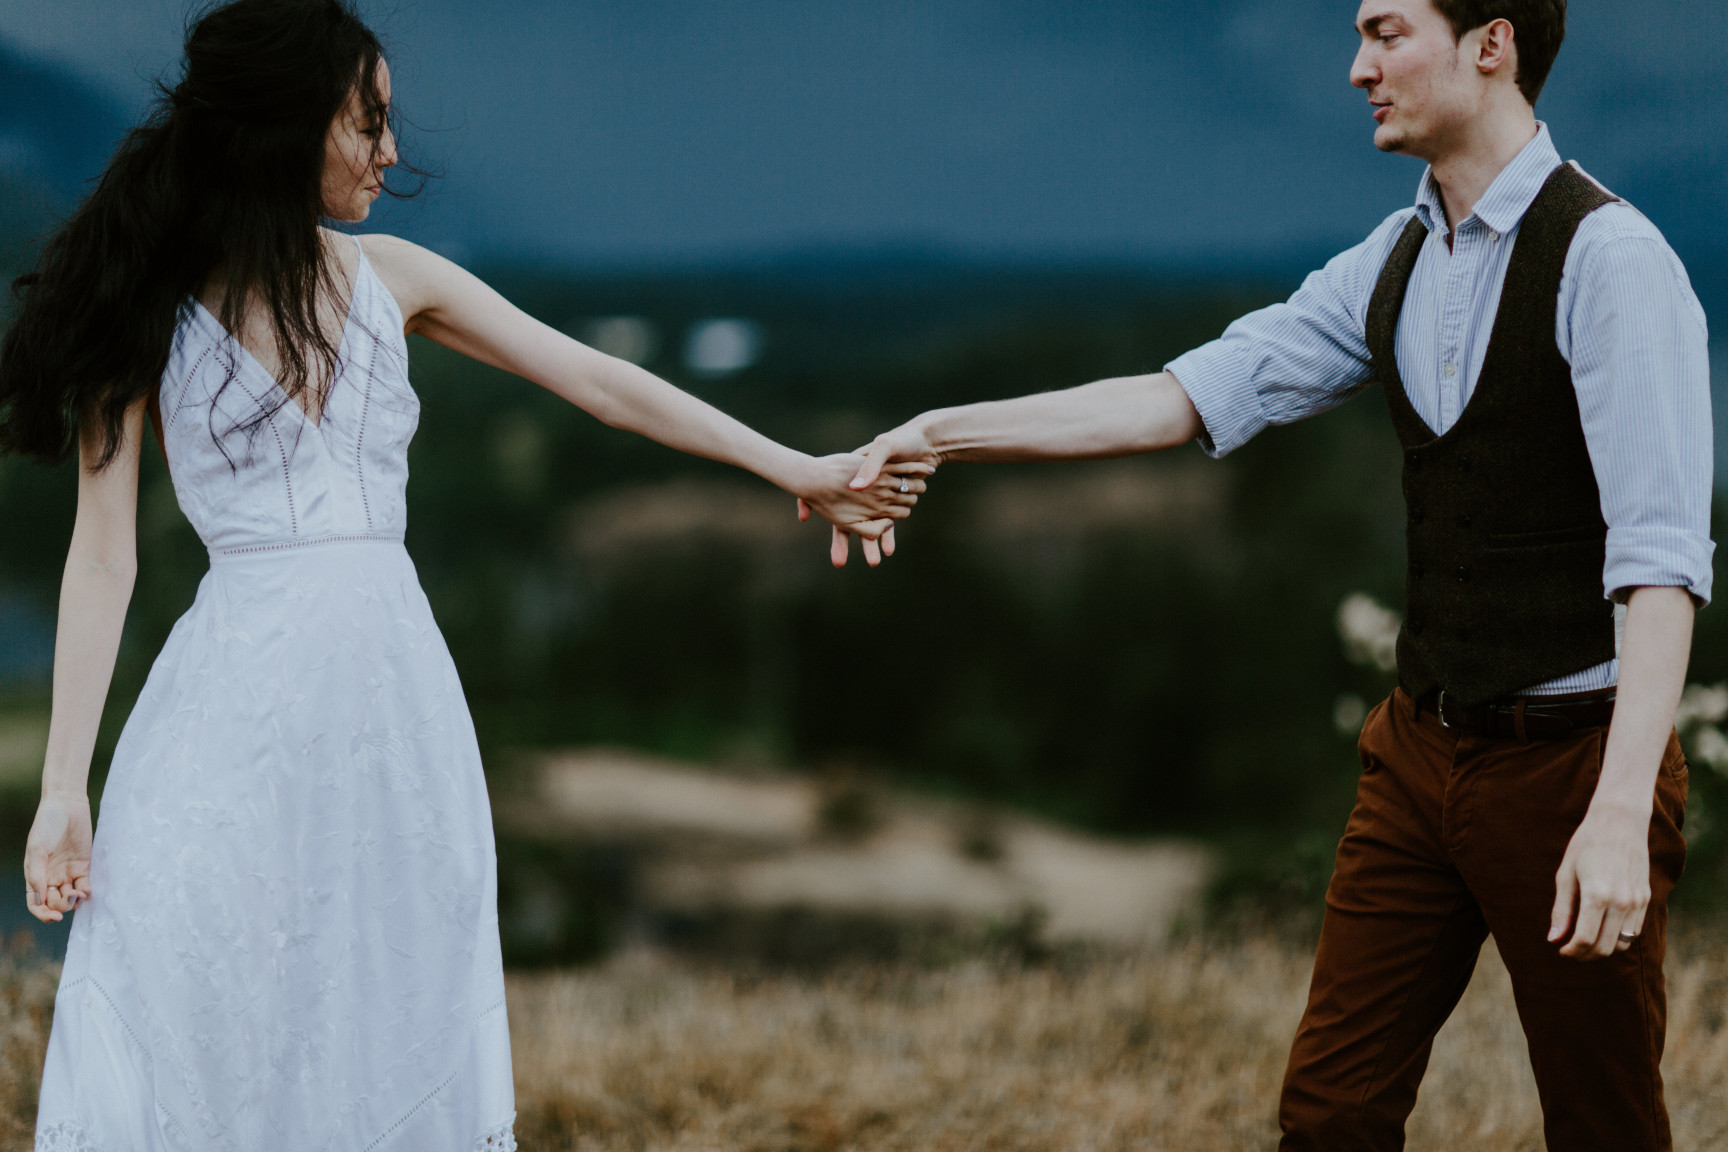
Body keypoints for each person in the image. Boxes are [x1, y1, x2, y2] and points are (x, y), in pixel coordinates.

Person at [0, 2, 927, 1148]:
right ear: (289, 128)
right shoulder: (145, 307)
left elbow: (603, 383)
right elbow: (102, 556)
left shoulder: (397, 278)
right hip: (223, 718)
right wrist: (62, 791)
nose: (392, 150)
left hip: (393, 714)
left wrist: (798, 466)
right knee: (206, 1001)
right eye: (368, 121)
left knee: (382, 1004)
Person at [836, 1, 1709, 1148]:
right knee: (1329, 1116)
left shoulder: (1613, 261)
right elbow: (1182, 394)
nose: (1358, 69)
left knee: (1604, 1128)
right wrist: (940, 431)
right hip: (1418, 756)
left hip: (1573, 766)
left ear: (1489, 45)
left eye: (1388, 33)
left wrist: (1612, 815)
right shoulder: (1393, 261)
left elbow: (1660, 565)